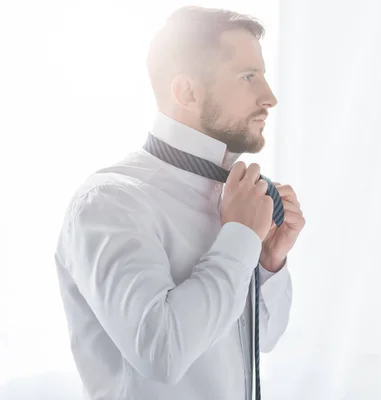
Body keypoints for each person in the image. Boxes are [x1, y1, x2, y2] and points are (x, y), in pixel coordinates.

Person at [54, 6, 305, 400]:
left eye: (264, 76)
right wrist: (238, 238)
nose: (269, 97)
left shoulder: (234, 199)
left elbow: (263, 341)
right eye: (248, 77)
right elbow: (162, 354)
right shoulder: (110, 202)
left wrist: (269, 262)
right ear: (187, 91)